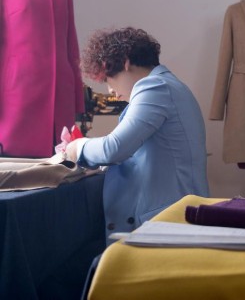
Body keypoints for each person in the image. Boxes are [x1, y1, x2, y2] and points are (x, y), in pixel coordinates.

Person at [65, 27, 209, 239]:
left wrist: (77, 147)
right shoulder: (169, 86)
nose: (110, 91)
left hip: (168, 223)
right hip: (176, 216)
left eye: (108, 79)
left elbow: (114, 148)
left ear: (125, 62)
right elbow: (135, 154)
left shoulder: (155, 87)